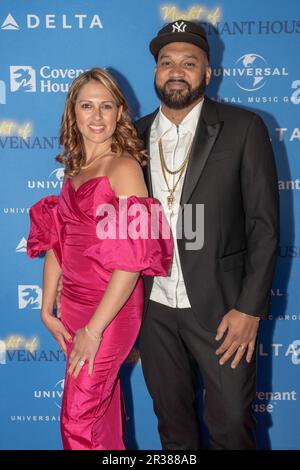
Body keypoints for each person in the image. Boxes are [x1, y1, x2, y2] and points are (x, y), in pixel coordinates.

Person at [135, 21, 279, 450]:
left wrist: (249, 309)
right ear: (156, 72)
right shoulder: (133, 136)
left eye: (189, 62)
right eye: (167, 63)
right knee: (172, 428)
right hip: (154, 309)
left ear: (207, 73)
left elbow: (265, 227)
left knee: (233, 426)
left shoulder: (243, 127)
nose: (176, 71)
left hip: (223, 310)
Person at [27, 67, 173, 450]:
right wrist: (47, 309)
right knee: (100, 421)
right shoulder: (74, 170)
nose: (96, 116)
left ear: (120, 112)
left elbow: (131, 262)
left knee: (78, 421)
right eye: (87, 105)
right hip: (73, 308)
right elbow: (59, 243)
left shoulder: (123, 168)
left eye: (106, 106)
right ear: (72, 113)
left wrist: (93, 331)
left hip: (110, 313)